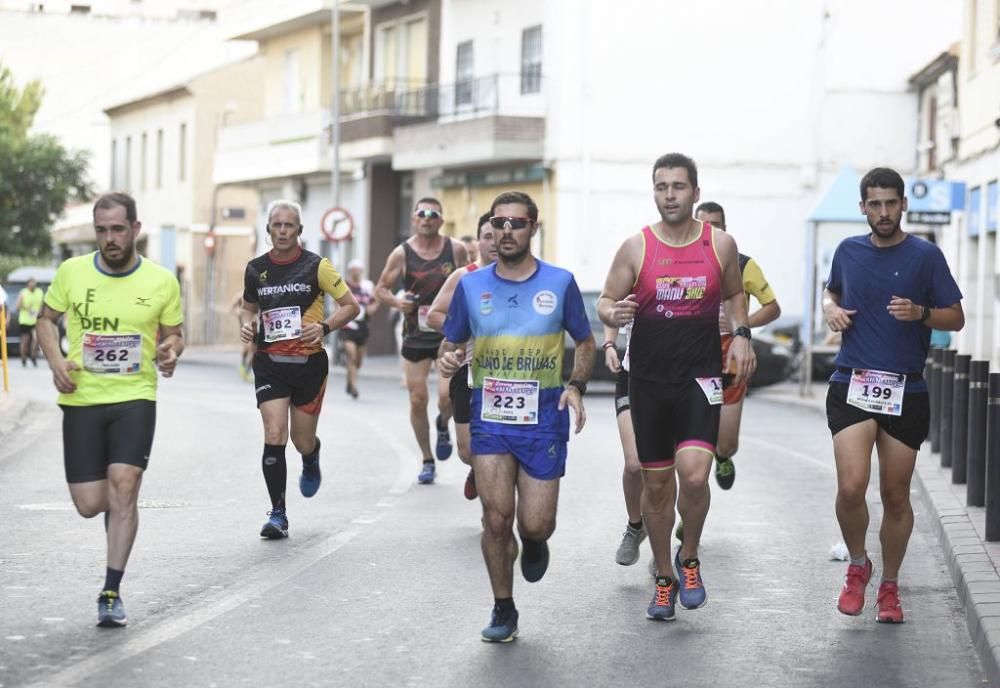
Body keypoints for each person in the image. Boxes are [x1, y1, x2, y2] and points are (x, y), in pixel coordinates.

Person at [599, 153, 755, 622]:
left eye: (678, 187)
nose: (670, 195)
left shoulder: (720, 244)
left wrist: (742, 337)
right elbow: (606, 301)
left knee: (693, 477)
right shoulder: (636, 247)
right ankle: (664, 577)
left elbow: (734, 294)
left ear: (695, 192)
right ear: (654, 192)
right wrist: (615, 314)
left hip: (700, 378)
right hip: (647, 382)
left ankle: (690, 559)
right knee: (658, 485)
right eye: (662, 186)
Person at [439, 191, 595, 642]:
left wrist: (576, 386)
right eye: (499, 223)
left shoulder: (560, 282)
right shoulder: (471, 286)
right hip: (490, 415)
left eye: (517, 223)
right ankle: (503, 608)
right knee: (494, 519)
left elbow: (584, 343)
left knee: (535, 523)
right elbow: (452, 345)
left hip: (544, 415)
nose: (507, 231)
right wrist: (449, 361)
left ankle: (536, 542)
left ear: (533, 228)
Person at [35, 192, 184, 628]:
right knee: (90, 503)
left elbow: (174, 334)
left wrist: (171, 353)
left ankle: (110, 589)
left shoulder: (161, 281)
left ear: (135, 229)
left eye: (118, 229)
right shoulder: (72, 272)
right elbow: (45, 320)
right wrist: (57, 360)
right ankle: (114, 516)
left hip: (135, 395)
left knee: (125, 485)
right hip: (82, 398)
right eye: (102, 230)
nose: (110, 239)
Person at [823, 167, 963, 624]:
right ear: (862, 207)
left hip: (906, 388)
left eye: (890, 203)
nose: (883, 212)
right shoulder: (848, 251)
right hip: (853, 382)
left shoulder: (926, 255)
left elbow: (955, 317)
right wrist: (830, 308)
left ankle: (889, 586)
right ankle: (858, 565)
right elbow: (832, 291)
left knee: (896, 495)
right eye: (874, 204)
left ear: (904, 204)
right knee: (850, 487)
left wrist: (922, 313)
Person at [240, 200, 359, 539]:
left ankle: (311, 455)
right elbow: (247, 309)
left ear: (299, 231)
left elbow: (351, 307)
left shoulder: (317, 266)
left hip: (308, 365)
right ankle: (278, 513)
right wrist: (248, 326)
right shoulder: (255, 269)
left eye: (289, 225)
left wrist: (324, 327)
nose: (282, 231)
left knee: (300, 439)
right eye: (276, 225)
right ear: (268, 229)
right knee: (274, 434)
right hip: (270, 363)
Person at [375, 198, 468, 484]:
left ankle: (443, 422)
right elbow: (381, 288)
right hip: (415, 333)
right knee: (417, 399)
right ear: (414, 219)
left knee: (445, 396)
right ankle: (427, 459)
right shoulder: (401, 254)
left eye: (433, 214)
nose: (427, 219)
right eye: (422, 214)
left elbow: (470, 281)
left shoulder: (456, 249)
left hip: (448, 333)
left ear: (441, 220)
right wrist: (397, 303)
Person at [695, 201, 781, 490]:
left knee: (726, 442)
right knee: (690, 448)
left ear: (725, 229)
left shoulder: (744, 264)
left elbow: (772, 307)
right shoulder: (683, 264)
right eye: (703, 225)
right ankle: (689, 510)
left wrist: (742, 325)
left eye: (716, 225)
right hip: (691, 360)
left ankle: (723, 456)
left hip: (731, 359)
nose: (709, 231)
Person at [427, 212, 498, 500]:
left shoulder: (523, 278)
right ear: (477, 242)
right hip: (468, 369)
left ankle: (494, 512)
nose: (494, 242)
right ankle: (475, 468)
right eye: (487, 236)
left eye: (499, 235)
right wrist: (464, 329)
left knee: (499, 448)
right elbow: (434, 315)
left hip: (507, 374)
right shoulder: (465, 276)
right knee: (468, 451)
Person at [340, 258, 379, 399]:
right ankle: (354, 387)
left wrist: (371, 309)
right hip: (348, 325)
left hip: (363, 325)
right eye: (353, 270)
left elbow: (375, 301)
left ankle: (349, 381)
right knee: (351, 355)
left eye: (358, 270)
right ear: (350, 271)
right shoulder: (343, 285)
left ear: (362, 271)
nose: (356, 272)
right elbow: (335, 302)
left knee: (359, 360)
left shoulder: (368, 286)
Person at [15, 277, 45, 367]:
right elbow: (17, 306)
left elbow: (42, 304)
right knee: (25, 341)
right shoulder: (23, 293)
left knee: (35, 340)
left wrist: (40, 312)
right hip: (25, 320)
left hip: (36, 320)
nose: (32, 285)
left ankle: (33, 357)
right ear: (27, 284)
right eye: (31, 283)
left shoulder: (39, 292)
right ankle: (23, 358)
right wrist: (25, 307)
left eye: (34, 283)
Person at [231, 292, 254, 381]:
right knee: (247, 348)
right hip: (244, 326)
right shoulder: (240, 296)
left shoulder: (257, 292)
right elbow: (231, 308)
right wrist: (238, 312)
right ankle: (243, 364)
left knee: (253, 351)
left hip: (255, 326)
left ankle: (247, 370)